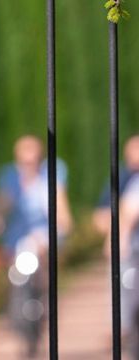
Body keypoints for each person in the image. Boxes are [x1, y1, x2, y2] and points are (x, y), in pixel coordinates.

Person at [0, 135, 73, 357]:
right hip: (18, 238)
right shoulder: (10, 176)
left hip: (45, 234)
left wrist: (61, 227)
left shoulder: (52, 173)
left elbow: (61, 208)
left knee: (42, 262)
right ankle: (17, 315)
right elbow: (4, 201)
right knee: (15, 274)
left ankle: (44, 305)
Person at [98, 136, 139, 354]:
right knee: (122, 281)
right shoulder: (121, 178)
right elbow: (102, 214)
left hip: (127, 242)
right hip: (130, 247)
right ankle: (122, 326)